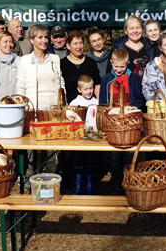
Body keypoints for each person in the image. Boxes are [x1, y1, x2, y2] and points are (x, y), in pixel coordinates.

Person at [16, 24, 65, 175]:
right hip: (34, 113)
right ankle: (34, 182)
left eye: (45, 37)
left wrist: (63, 104)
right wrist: (22, 111)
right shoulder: (24, 61)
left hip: (53, 113)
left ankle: (50, 181)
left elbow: (60, 82)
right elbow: (20, 88)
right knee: (34, 151)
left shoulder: (55, 59)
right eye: (40, 37)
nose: (44, 41)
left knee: (53, 152)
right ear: (31, 40)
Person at [99, 49, 144, 194]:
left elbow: (138, 99)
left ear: (128, 64)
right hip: (113, 123)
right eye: (116, 66)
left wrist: (129, 110)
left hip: (130, 122)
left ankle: (129, 185)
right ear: (111, 63)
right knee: (115, 157)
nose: (119, 70)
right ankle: (117, 186)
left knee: (130, 156)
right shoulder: (106, 79)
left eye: (122, 67)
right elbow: (103, 102)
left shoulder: (134, 78)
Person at [69, 75, 100, 194]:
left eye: (91, 88)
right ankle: (78, 186)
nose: (88, 92)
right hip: (80, 136)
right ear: (79, 89)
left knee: (92, 161)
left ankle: (90, 186)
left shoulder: (96, 102)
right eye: (85, 89)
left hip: (93, 135)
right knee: (79, 161)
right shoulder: (75, 103)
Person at [60, 31, 101, 104]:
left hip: (90, 105)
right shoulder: (62, 64)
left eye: (81, 43)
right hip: (71, 107)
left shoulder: (91, 62)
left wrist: (99, 102)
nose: (79, 47)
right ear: (68, 46)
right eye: (75, 43)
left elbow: (97, 84)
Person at [112, 15, 155, 80]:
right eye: (131, 28)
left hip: (146, 88)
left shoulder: (150, 47)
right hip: (127, 87)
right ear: (126, 31)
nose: (135, 31)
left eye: (138, 28)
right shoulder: (118, 48)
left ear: (142, 29)